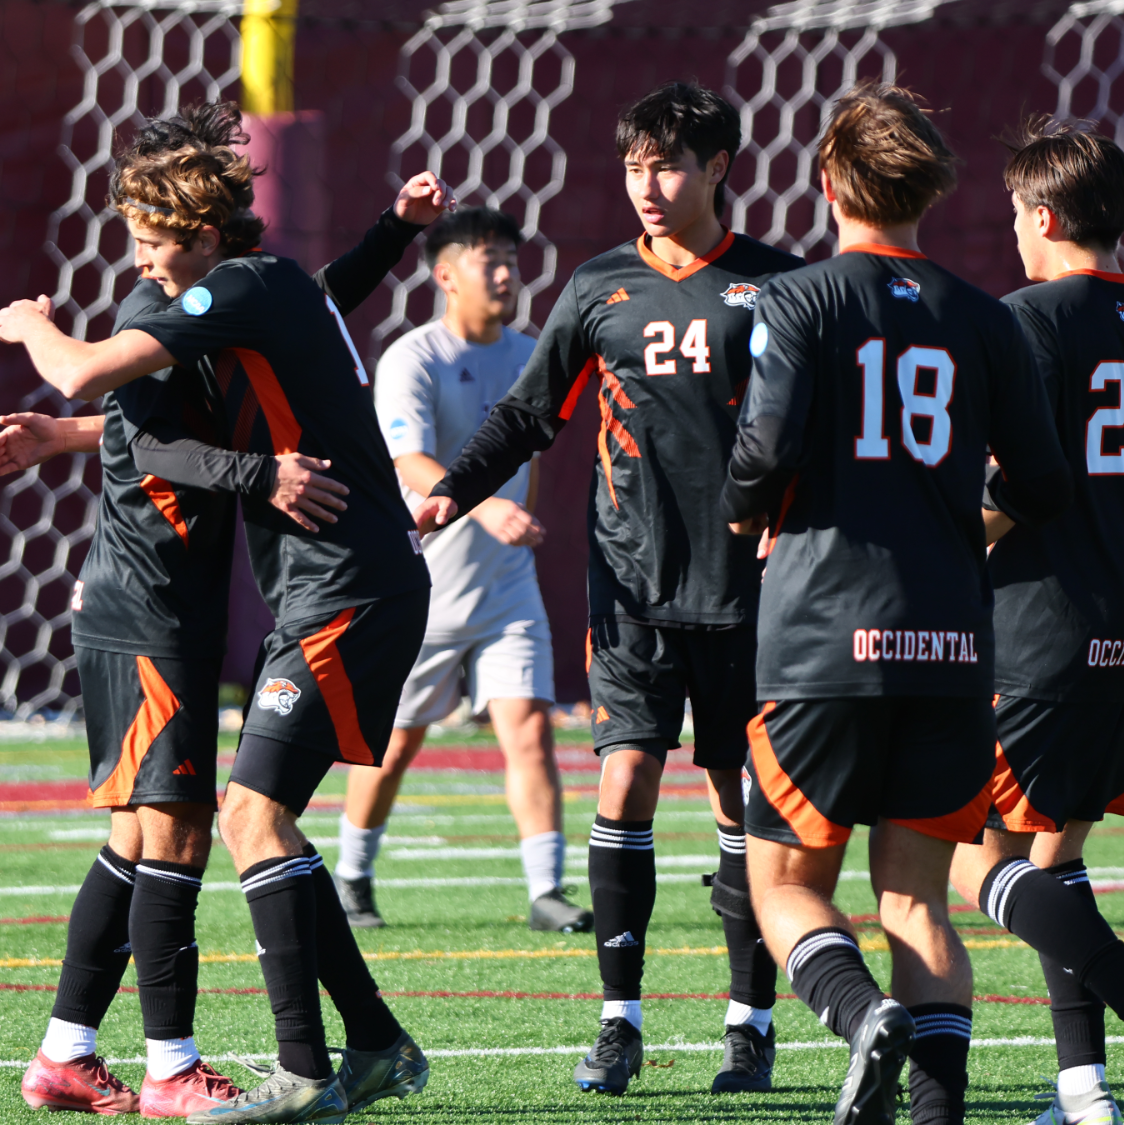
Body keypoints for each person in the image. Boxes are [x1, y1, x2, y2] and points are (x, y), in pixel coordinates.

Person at [0, 109, 450, 1118]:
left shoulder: (236, 290)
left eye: (154, 240)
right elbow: (143, 427)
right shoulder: (258, 294)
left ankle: (292, 1072)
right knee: (198, 825)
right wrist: (68, 437)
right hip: (289, 589)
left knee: (229, 818)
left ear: (204, 235)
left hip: (347, 584)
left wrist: (28, 327)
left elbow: (82, 372)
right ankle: (360, 1042)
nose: (139, 260)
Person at [414, 81, 802, 1096]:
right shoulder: (596, 289)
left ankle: (746, 1025)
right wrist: (450, 491)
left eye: (666, 165)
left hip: (750, 595)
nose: (646, 184)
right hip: (629, 589)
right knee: (623, 781)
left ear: (718, 170)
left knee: (739, 798)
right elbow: (525, 414)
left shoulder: (783, 285)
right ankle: (618, 1022)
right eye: (633, 164)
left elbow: (825, 435)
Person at [717, 83, 1073, 1125]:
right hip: (950, 637)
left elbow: (764, 449)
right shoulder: (981, 317)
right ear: (929, 187)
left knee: (781, 887)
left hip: (822, 633)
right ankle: (931, 1113)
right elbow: (1043, 485)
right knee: (915, 898)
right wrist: (971, 524)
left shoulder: (796, 298)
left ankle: (858, 1014)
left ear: (826, 183)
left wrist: (746, 514)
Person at [948, 118, 1124, 1125]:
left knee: (968, 858)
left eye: (1016, 218)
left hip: (1035, 623)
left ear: (1043, 213)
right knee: (1052, 861)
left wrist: (937, 545)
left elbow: (1015, 486)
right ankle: (1081, 1093)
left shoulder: (1023, 319)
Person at [335, 205, 591, 935]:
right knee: (396, 740)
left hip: (508, 585)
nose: (507, 273)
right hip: (425, 587)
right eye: (490, 260)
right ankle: (353, 874)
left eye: (511, 258)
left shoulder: (529, 351)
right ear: (446, 274)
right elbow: (406, 461)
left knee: (531, 730)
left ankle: (546, 889)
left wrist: (515, 519)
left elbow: (529, 458)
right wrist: (486, 510)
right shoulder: (414, 357)